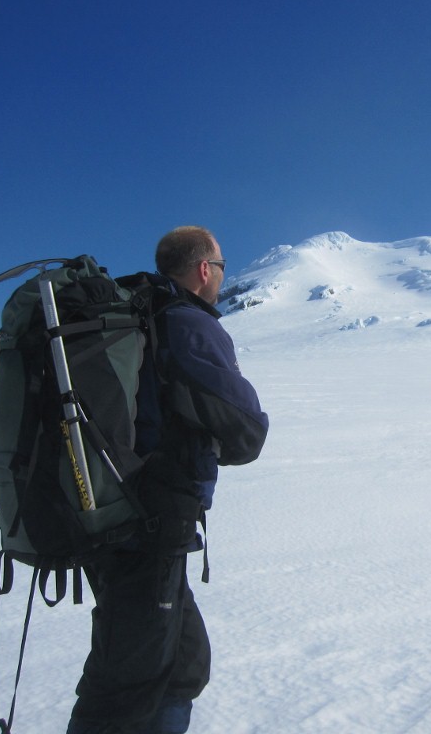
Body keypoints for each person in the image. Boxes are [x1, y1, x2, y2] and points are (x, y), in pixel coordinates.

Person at [67, 226, 270, 734]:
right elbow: (245, 429)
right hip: (146, 525)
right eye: (221, 267)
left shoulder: (141, 316)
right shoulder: (185, 322)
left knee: (182, 664)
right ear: (204, 269)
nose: (221, 276)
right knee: (127, 685)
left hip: (113, 511)